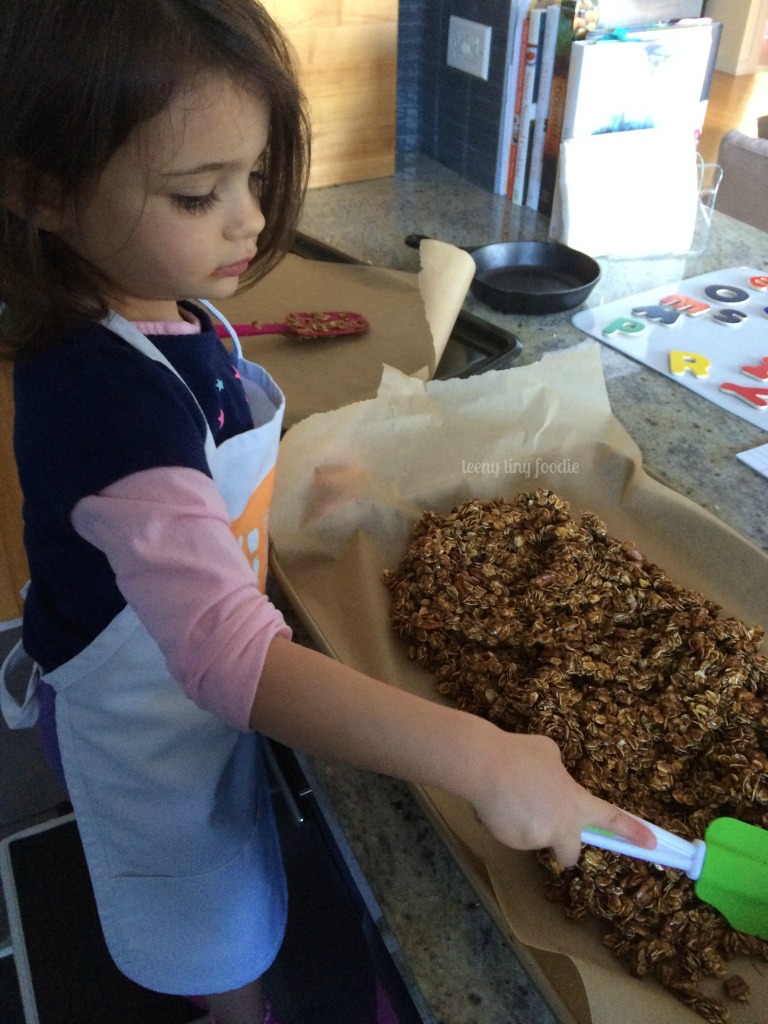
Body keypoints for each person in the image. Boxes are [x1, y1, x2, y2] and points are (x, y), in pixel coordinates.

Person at [0, 2, 655, 1023]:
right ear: (42, 191)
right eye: (195, 193)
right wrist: (480, 754)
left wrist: (304, 487)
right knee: (211, 927)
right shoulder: (101, 404)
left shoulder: (163, 298)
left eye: (253, 178)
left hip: (183, 677)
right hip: (142, 736)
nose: (251, 220)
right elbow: (225, 656)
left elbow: (201, 487)